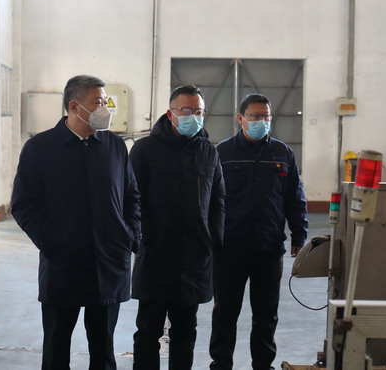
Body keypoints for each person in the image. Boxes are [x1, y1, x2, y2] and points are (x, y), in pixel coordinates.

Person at [11, 74, 141, 370]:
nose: (104, 109)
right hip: (63, 265)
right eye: (97, 102)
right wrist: (53, 244)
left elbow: (132, 195)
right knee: (56, 350)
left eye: (105, 102)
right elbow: (24, 204)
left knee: (103, 351)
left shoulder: (114, 146)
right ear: (74, 106)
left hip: (108, 263)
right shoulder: (40, 148)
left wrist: (129, 236)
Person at [208, 93, 308, 370]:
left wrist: (299, 235)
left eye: (266, 116)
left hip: (268, 247)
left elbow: (294, 197)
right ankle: (221, 365)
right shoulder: (222, 153)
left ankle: (263, 365)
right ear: (240, 119)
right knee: (225, 312)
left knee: (266, 314)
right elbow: (209, 198)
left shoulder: (283, 153)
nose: (261, 121)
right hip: (229, 248)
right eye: (255, 116)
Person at [130, 85, 225, 370]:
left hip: (194, 257)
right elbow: (130, 198)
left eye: (199, 111)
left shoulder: (208, 151)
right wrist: (138, 237)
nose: (193, 116)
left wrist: (213, 240)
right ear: (171, 113)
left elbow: (218, 199)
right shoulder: (145, 150)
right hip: (156, 254)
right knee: (148, 330)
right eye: (187, 110)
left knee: (185, 331)